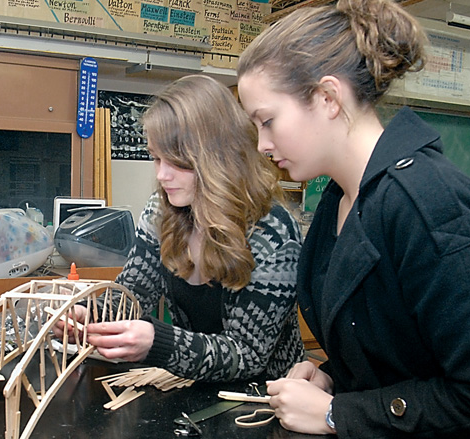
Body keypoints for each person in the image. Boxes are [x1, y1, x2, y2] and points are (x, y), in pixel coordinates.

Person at [237, 0, 470, 439]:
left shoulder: (428, 202)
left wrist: (336, 415)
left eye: (268, 121)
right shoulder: (339, 203)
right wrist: (333, 373)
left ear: (327, 97)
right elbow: (404, 347)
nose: (261, 144)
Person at [58, 75, 304, 383]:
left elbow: (248, 356)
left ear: (218, 159)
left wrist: (158, 343)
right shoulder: (161, 210)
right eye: (156, 158)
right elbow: (135, 292)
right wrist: (91, 312)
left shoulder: (273, 233)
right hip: (195, 388)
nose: (161, 175)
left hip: (267, 401)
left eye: (176, 162)